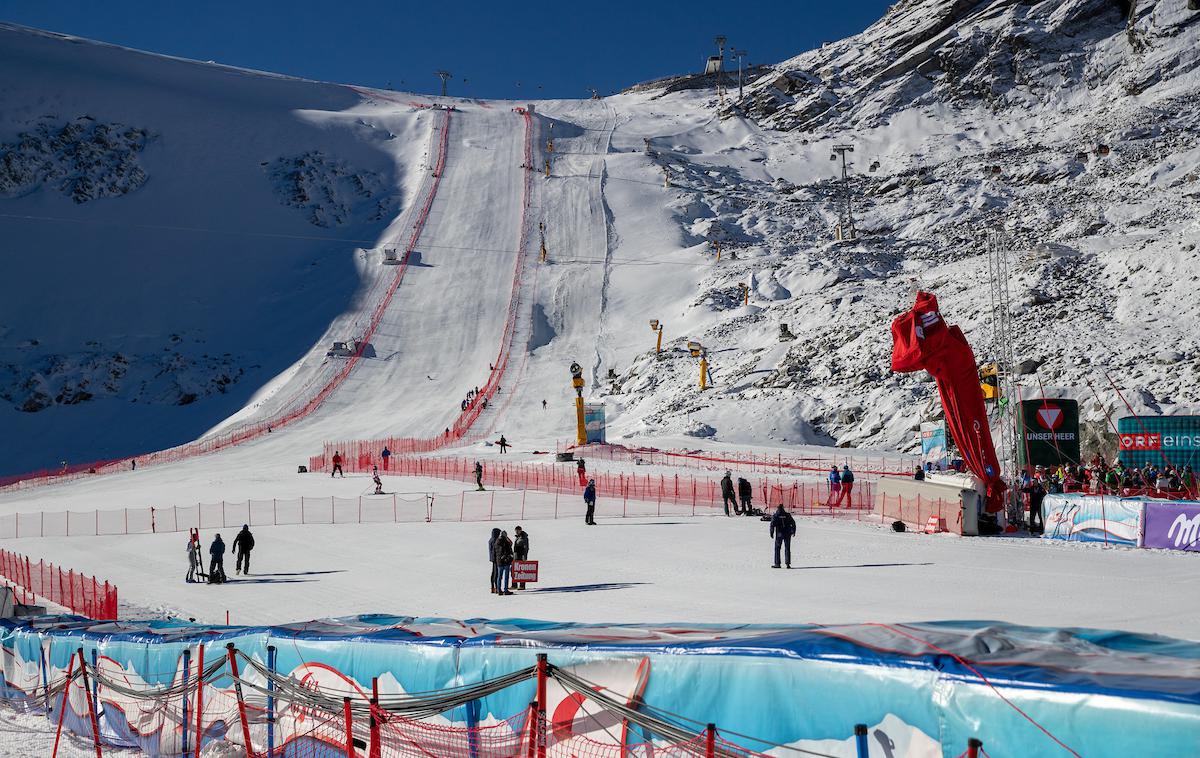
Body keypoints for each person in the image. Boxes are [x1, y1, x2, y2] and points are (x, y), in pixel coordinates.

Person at [769, 504, 797, 569]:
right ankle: (787, 564)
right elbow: (793, 523)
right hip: (787, 533)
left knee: (777, 548)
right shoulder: (787, 515)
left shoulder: (776, 515)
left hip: (779, 534)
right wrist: (793, 531)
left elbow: (772, 524)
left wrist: (771, 532)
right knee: (787, 548)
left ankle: (777, 563)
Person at [494, 530, 514, 595]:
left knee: (499, 576)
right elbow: (509, 547)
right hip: (506, 561)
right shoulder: (505, 541)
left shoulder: (496, 541)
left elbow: (495, 552)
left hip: (499, 561)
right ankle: (505, 590)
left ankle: (499, 590)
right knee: (506, 576)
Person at [513, 526, 529, 590]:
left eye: (518, 530)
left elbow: (526, 548)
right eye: (516, 530)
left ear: (520, 530)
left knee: (521, 571)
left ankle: (522, 585)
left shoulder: (524, 537)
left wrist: (524, 557)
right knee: (514, 570)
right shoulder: (518, 537)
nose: (516, 532)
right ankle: (514, 585)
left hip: (521, 557)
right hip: (516, 556)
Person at [488, 528, 501, 594]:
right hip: (496, 558)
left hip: (492, 558)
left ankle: (493, 587)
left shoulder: (491, 539)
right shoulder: (495, 540)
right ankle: (496, 587)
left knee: (493, 572)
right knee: (496, 573)